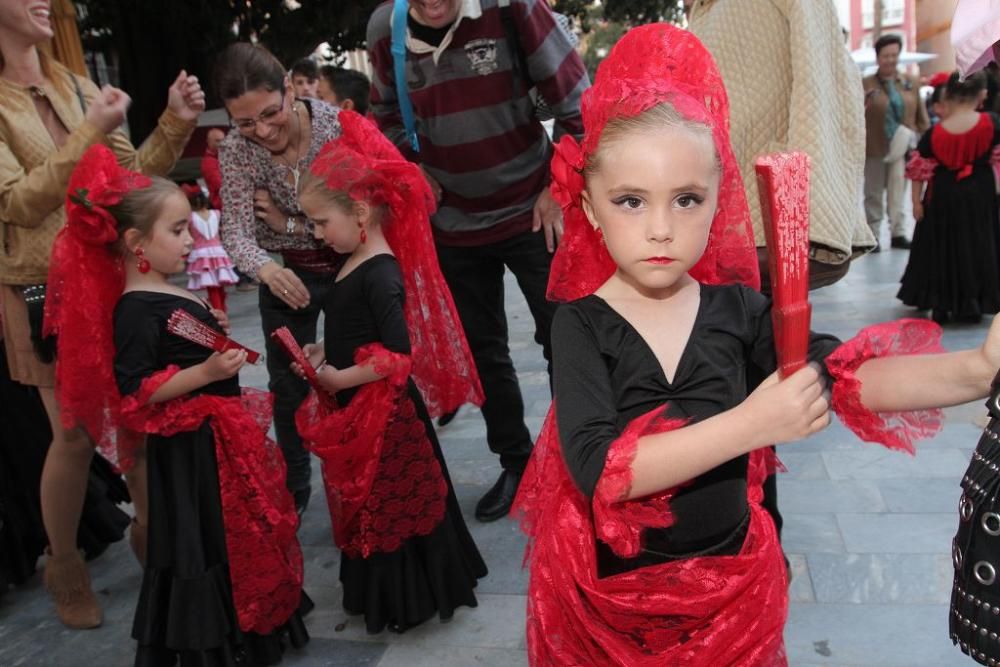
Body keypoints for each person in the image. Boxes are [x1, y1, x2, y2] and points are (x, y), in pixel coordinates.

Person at [512, 23, 1000, 665]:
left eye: (686, 199)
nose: (661, 228)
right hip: (621, 603)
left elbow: (851, 377)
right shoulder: (580, 323)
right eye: (631, 201)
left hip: (733, 592)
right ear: (594, 209)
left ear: (719, 201)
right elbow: (600, 469)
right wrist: (752, 422)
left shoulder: (738, 310)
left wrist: (980, 367)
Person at [46, 144, 310, 664]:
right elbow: (137, 388)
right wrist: (206, 371)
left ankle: (248, 616)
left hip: (215, 440)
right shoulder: (135, 309)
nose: (191, 241)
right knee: (205, 537)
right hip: (190, 453)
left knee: (235, 529)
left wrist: (213, 341)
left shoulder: (164, 292)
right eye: (178, 232)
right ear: (134, 243)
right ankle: (216, 634)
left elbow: (182, 340)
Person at [0, 1, 203, 628]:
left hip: (109, 277)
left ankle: (153, 542)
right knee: (75, 435)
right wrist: (89, 130)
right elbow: (20, 204)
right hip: (39, 290)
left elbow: (127, 185)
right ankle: (63, 564)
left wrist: (173, 122)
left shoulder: (74, 82)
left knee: (138, 418)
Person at [367, 0, 590, 522]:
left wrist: (560, 186)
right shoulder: (386, 28)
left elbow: (578, 101)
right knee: (482, 352)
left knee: (567, 340)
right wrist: (413, 167)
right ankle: (517, 462)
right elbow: (385, 120)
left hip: (535, 210)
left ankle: (573, 468)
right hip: (453, 223)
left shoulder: (513, 8)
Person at [294, 110, 487, 633]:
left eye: (320, 223)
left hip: (385, 414)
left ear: (358, 211)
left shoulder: (380, 272)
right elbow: (358, 334)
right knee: (374, 502)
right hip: (363, 403)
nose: (315, 235)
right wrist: (322, 352)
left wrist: (340, 379)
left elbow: (397, 355)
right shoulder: (356, 261)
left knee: (390, 503)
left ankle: (409, 595)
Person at [214, 42, 346, 516]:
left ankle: (358, 471)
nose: (263, 131)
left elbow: (355, 217)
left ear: (290, 89)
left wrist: (285, 227)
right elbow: (235, 230)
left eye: (271, 113)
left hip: (351, 273)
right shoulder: (236, 151)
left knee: (353, 375)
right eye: (246, 123)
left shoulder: (335, 126)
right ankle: (296, 481)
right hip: (286, 280)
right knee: (288, 387)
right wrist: (267, 268)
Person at [688, 0, 875, 291]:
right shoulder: (706, 9)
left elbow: (820, 87)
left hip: (765, 204)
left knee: (770, 324)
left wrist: (807, 210)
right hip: (717, 204)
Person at [899, 71, 1000, 324]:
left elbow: (918, 169)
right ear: (982, 95)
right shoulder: (992, 122)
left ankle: (941, 303)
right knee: (978, 244)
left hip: (943, 193)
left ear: (949, 95)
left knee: (944, 246)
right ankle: (974, 301)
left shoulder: (935, 133)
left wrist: (916, 202)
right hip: (980, 192)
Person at [862, 33, 929, 251]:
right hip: (874, 146)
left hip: (902, 147)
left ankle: (898, 232)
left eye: (894, 55)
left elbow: (920, 115)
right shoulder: (866, 83)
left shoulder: (909, 83)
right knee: (873, 193)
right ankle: (873, 234)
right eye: (885, 55)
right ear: (878, 57)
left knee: (898, 190)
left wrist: (923, 139)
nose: (890, 59)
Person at [183, 183, 237, 313]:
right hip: (218, 252)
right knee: (219, 286)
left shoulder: (190, 217)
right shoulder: (217, 213)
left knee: (211, 287)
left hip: (201, 254)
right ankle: (222, 309)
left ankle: (218, 310)